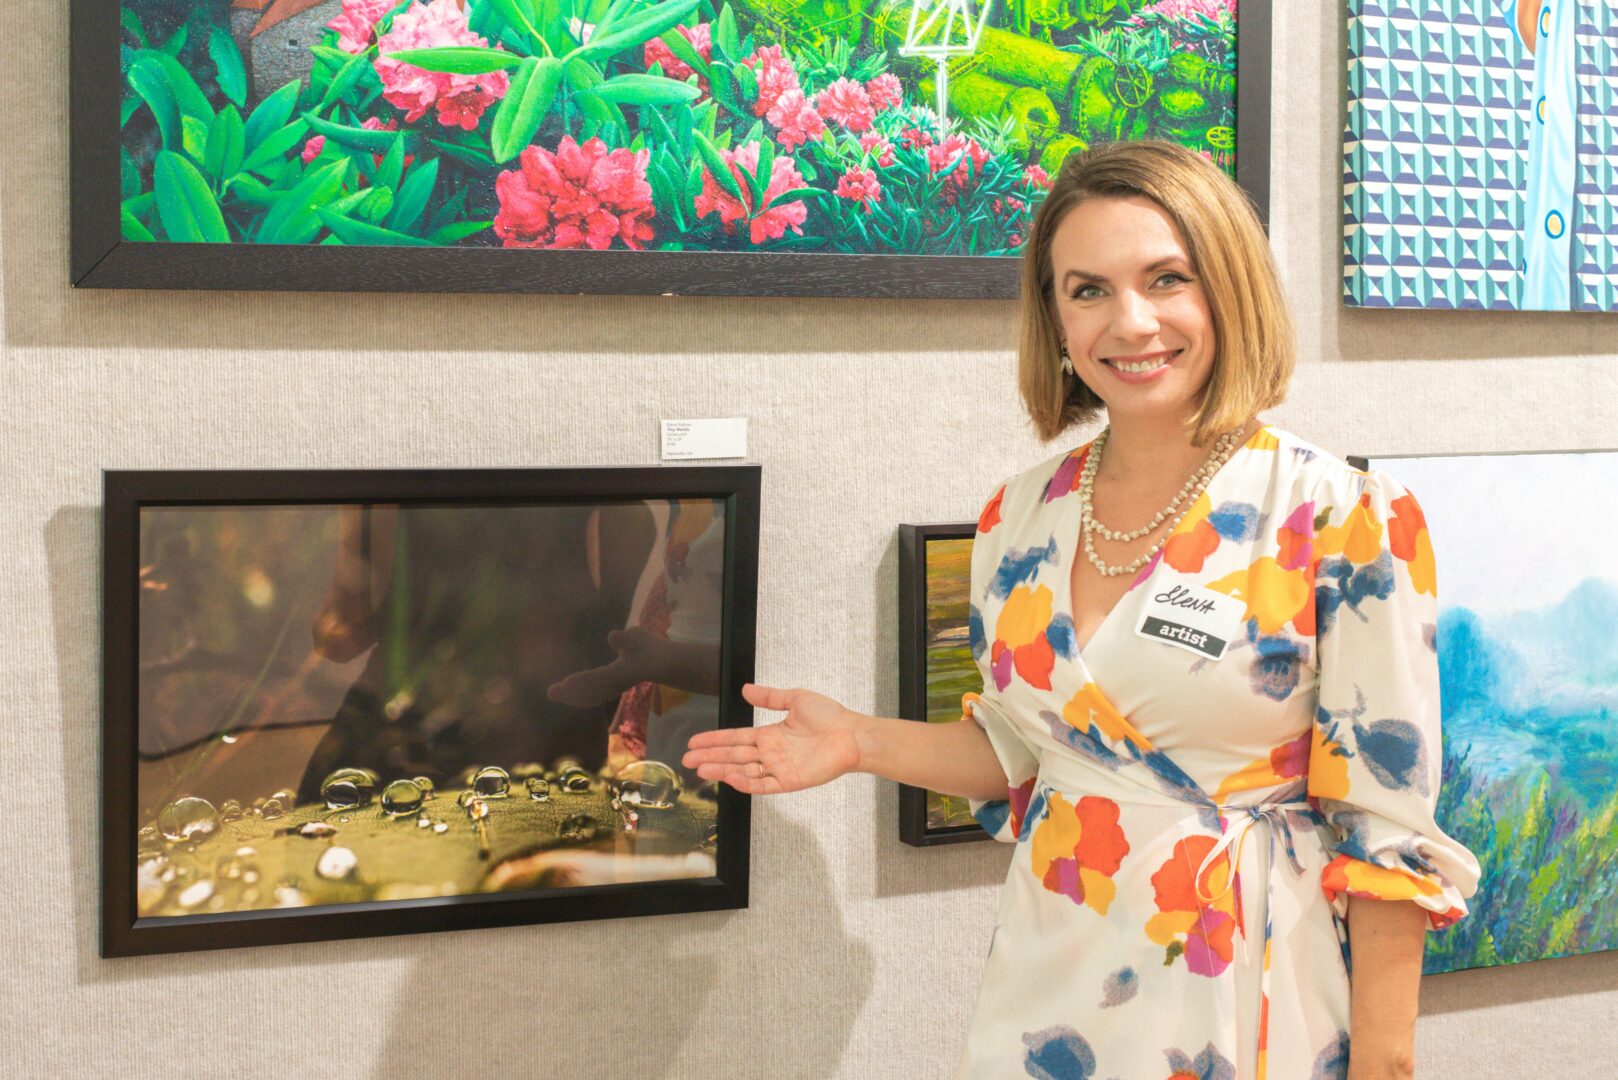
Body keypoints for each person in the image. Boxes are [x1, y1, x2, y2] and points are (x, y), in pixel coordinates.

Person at [683, 139, 1481, 1079]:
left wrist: (1387, 1064)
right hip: (1050, 988)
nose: (1131, 322)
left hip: (1245, 989)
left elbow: (1389, 830)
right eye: (1089, 290)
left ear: (1230, 289)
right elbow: (1033, 754)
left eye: (1167, 278)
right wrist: (859, 741)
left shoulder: (1340, 514)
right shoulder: (1021, 513)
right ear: (1056, 318)